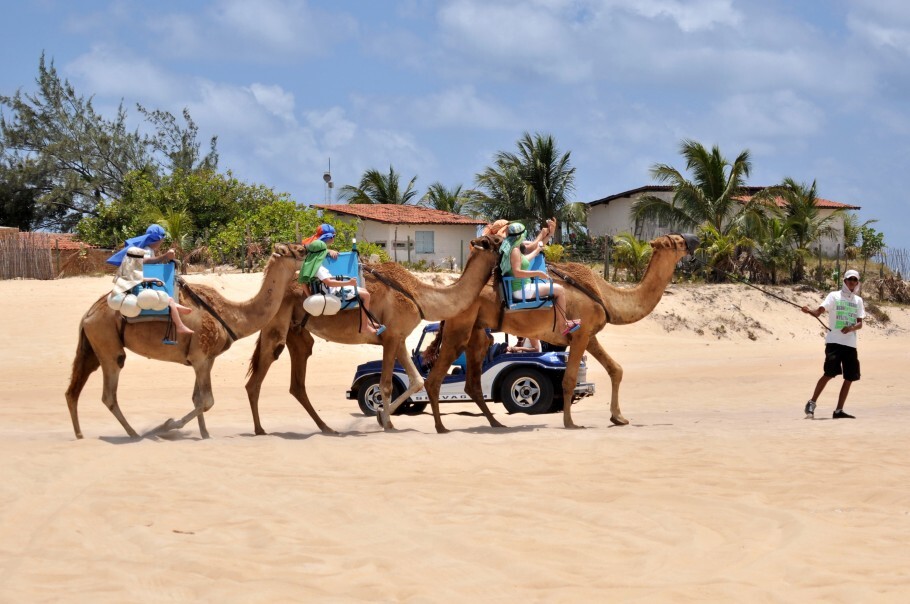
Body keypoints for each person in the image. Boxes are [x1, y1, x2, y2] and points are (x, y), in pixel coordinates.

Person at [800, 269, 865, 419]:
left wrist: (851, 328)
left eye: (855, 280)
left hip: (850, 345)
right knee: (829, 373)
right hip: (834, 342)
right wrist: (809, 311)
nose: (852, 282)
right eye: (849, 279)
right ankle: (811, 402)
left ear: (857, 282)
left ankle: (838, 411)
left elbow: (860, 324)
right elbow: (818, 312)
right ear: (844, 281)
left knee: (850, 377)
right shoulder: (834, 296)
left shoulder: (858, 301)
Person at [106, 224, 194, 335]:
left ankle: (176, 308)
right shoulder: (145, 251)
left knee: (169, 300)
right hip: (139, 292)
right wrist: (165, 256)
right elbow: (145, 263)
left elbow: (138, 277)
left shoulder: (129, 270)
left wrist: (152, 278)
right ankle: (180, 326)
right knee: (169, 300)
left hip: (138, 288)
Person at [299, 224, 385, 336]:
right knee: (366, 295)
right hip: (334, 291)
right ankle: (364, 327)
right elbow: (328, 282)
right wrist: (348, 282)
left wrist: (310, 295)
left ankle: (367, 321)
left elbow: (304, 282)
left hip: (330, 288)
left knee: (363, 292)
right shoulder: (319, 268)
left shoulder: (310, 265)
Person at [500, 221, 580, 335]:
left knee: (557, 289)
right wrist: (537, 273)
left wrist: (538, 249)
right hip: (521, 290)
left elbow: (526, 259)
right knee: (560, 290)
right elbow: (517, 273)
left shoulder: (513, 249)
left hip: (522, 289)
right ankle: (563, 325)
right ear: (520, 235)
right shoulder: (515, 251)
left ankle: (564, 322)